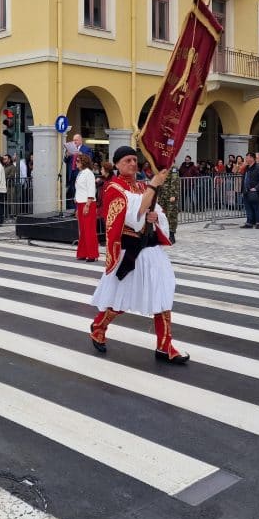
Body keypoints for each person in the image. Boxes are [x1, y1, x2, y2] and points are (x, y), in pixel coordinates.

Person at [88, 146, 188, 364]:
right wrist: (152, 188)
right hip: (129, 252)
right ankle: (99, 326)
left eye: (134, 159)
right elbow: (134, 215)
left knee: (162, 296)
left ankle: (164, 345)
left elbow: (154, 211)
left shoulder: (142, 185)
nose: (132, 164)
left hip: (151, 250)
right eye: (127, 160)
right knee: (120, 299)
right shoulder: (113, 188)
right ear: (116, 164)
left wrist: (155, 215)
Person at [73, 153, 99, 261]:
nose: (76, 163)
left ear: (84, 162)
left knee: (89, 230)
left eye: (78, 161)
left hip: (88, 203)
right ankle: (83, 252)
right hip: (80, 203)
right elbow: (79, 189)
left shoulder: (89, 173)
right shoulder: (81, 173)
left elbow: (91, 190)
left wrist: (87, 205)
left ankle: (92, 254)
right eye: (76, 161)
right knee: (83, 230)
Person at [241, 153, 259, 229]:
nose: (246, 159)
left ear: (252, 158)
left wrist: (256, 188)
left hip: (254, 191)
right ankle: (249, 222)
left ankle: (258, 222)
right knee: (248, 207)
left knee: (256, 207)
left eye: (247, 157)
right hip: (246, 190)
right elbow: (244, 177)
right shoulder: (246, 167)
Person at [156, 167, 180, 243]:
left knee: (171, 215)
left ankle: (171, 234)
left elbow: (174, 181)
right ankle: (163, 234)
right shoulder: (162, 168)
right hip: (162, 196)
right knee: (161, 215)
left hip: (170, 196)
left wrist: (173, 194)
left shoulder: (173, 169)